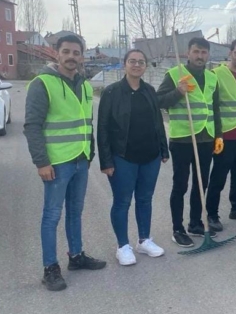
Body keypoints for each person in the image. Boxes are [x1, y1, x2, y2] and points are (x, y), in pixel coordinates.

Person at [24, 34, 106, 291]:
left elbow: (86, 123)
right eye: (67, 52)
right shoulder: (42, 84)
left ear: (82, 56)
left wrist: (90, 153)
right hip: (57, 163)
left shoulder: (84, 85)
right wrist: (41, 162)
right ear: (56, 54)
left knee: (75, 212)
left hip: (81, 159)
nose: (72, 57)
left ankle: (76, 255)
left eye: (76, 52)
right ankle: (50, 267)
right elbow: (32, 126)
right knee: (51, 216)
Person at [97, 49, 169, 266]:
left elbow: (158, 122)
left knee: (145, 199)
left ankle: (144, 240)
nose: (137, 65)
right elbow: (103, 130)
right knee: (122, 201)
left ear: (146, 66)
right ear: (124, 65)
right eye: (132, 61)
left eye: (141, 62)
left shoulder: (149, 90)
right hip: (123, 157)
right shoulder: (111, 93)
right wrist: (106, 161)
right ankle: (123, 246)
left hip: (150, 156)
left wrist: (163, 150)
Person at [157, 37, 222, 248]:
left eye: (204, 52)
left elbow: (215, 108)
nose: (200, 56)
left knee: (201, 185)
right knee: (181, 184)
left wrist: (218, 135)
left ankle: (196, 222)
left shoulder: (212, 78)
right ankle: (178, 228)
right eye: (196, 52)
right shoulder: (175, 75)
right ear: (188, 53)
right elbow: (158, 101)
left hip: (205, 138)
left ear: (208, 55)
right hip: (183, 139)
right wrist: (178, 92)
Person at [205, 39, 236, 224]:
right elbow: (211, 105)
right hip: (223, 135)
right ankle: (212, 214)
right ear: (230, 53)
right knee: (218, 177)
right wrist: (215, 134)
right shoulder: (216, 74)